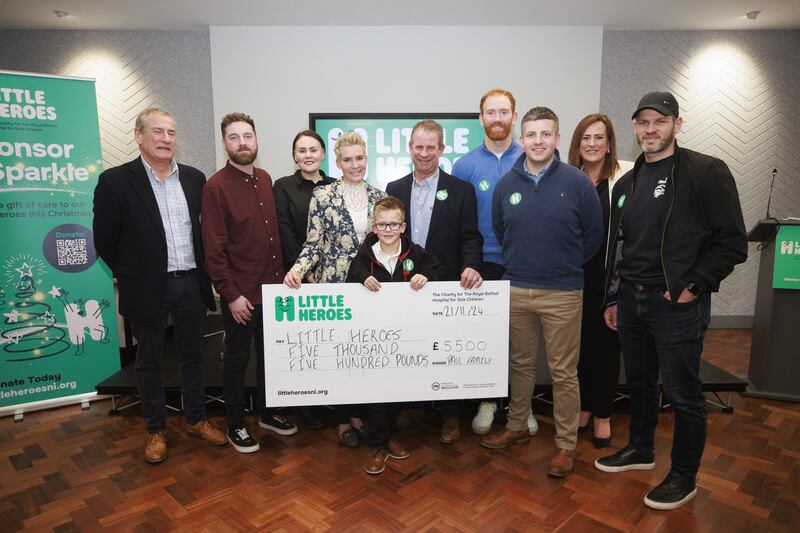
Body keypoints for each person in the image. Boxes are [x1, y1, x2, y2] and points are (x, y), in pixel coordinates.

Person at [595, 92, 747, 510]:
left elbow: (732, 242)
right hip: (631, 299)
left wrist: (693, 286)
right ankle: (641, 450)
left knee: (683, 393)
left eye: (659, 121)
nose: (650, 129)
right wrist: (614, 297)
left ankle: (684, 476)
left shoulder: (705, 172)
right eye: (642, 122)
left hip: (676, 304)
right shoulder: (628, 181)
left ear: (677, 125)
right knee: (640, 384)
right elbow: (620, 246)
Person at [93, 107, 226, 464]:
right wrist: (131, 273)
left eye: (171, 132)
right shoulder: (116, 181)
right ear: (139, 136)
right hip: (148, 288)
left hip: (190, 284)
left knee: (194, 356)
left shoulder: (195, 179)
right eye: (158, 132)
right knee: (149, 361)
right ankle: (156, 429)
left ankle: (196, 419)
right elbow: (105, 239)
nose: (166, 139)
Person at [483, 106, 603, 479]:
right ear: (522, 139)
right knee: (519, 364)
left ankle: (565, 445)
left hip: (563, 292)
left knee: (564, 372)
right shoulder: (506, 185)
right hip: (516, 288)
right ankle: (517, 425)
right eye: (531, 135)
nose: (538, 141)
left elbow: (593, 238)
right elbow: (502, 232)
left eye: (545, 134)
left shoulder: (578, 182)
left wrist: (559, 266)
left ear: (556, 137)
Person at [201, 112, 298, 454]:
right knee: (237, 359)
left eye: (248, 136)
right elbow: (213, 249)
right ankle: (236, 424)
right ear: (224, 143)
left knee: (270, 357)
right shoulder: (215, 186)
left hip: (272, 291)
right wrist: (230, 295)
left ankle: (267, 414)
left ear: (256, 140)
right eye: (234, 137)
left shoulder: (264, 178)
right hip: (241, 295)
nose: (243, 143)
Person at [284, 131, 386, 447]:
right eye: (347, 159)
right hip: (336, 287)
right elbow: (313, 243)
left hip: (370, 287)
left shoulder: (379, 197)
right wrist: (297, 271)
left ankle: (359, 414)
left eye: (359, 158)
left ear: (366, 159)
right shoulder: (324, 196)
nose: (354, 164)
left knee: (364, 356)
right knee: (341, 356)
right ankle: (344, 419)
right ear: (338, 162)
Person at [386, 119, 483, 444]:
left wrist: (471, 266)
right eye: (418, 146)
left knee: (444, 350)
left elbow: (471, 237)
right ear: (410, 148)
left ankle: (449, 413)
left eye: (431, 147)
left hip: (446, 285)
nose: (424, 153)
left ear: (442, 150)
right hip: (405, 286)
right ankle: (408, 405)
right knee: (407, 347)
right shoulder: (394, 189)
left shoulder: (461, 191)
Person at [452, 88, 537, 438]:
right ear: (480, 118)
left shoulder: (533, 156)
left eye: (504, 112)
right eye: (490, 112)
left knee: (522, 342)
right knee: (483, 340)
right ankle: (487, 400)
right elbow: (460, 222)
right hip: (482, 265)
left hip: (524, 263)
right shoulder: (465, 164)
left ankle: (522, 406)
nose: (497, 118)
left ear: (514, 116)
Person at [346, 196, 447, 474]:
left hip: (406, 336)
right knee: (378, 391)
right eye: (382, 225)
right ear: (374, 227)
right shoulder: (365, 256)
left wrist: (426, 276)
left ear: (403, 226)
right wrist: (360, 279)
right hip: (374, 337)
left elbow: (438, 269)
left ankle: (386, 436)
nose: (388, 229)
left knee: (396, 391)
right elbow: (350, 277)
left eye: (393, 224)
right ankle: (379, 445)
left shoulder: (415, 253)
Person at [567, 113, 633, 448]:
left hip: (610, 280)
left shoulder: (625, 178)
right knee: (577, 350)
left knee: (606, 348)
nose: (591, 144)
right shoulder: (567, 179)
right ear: (577, 144)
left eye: (598, 138)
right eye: (585, 138)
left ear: (609, 144)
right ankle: (584, 408)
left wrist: (620, 290)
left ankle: (603, 413)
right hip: (572, 279)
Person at [273, 129, 335, 429]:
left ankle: (334, 401)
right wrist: (303, 269)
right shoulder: (283, 187)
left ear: (323, 153)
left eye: (313, 149)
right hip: (299, 278)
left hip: (335, 281)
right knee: (307, 345)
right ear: (295, 156)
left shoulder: (336, 185)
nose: (308, 155)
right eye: (301, 150)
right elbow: (284, 230)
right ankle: (307, 404)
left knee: (332, 343)